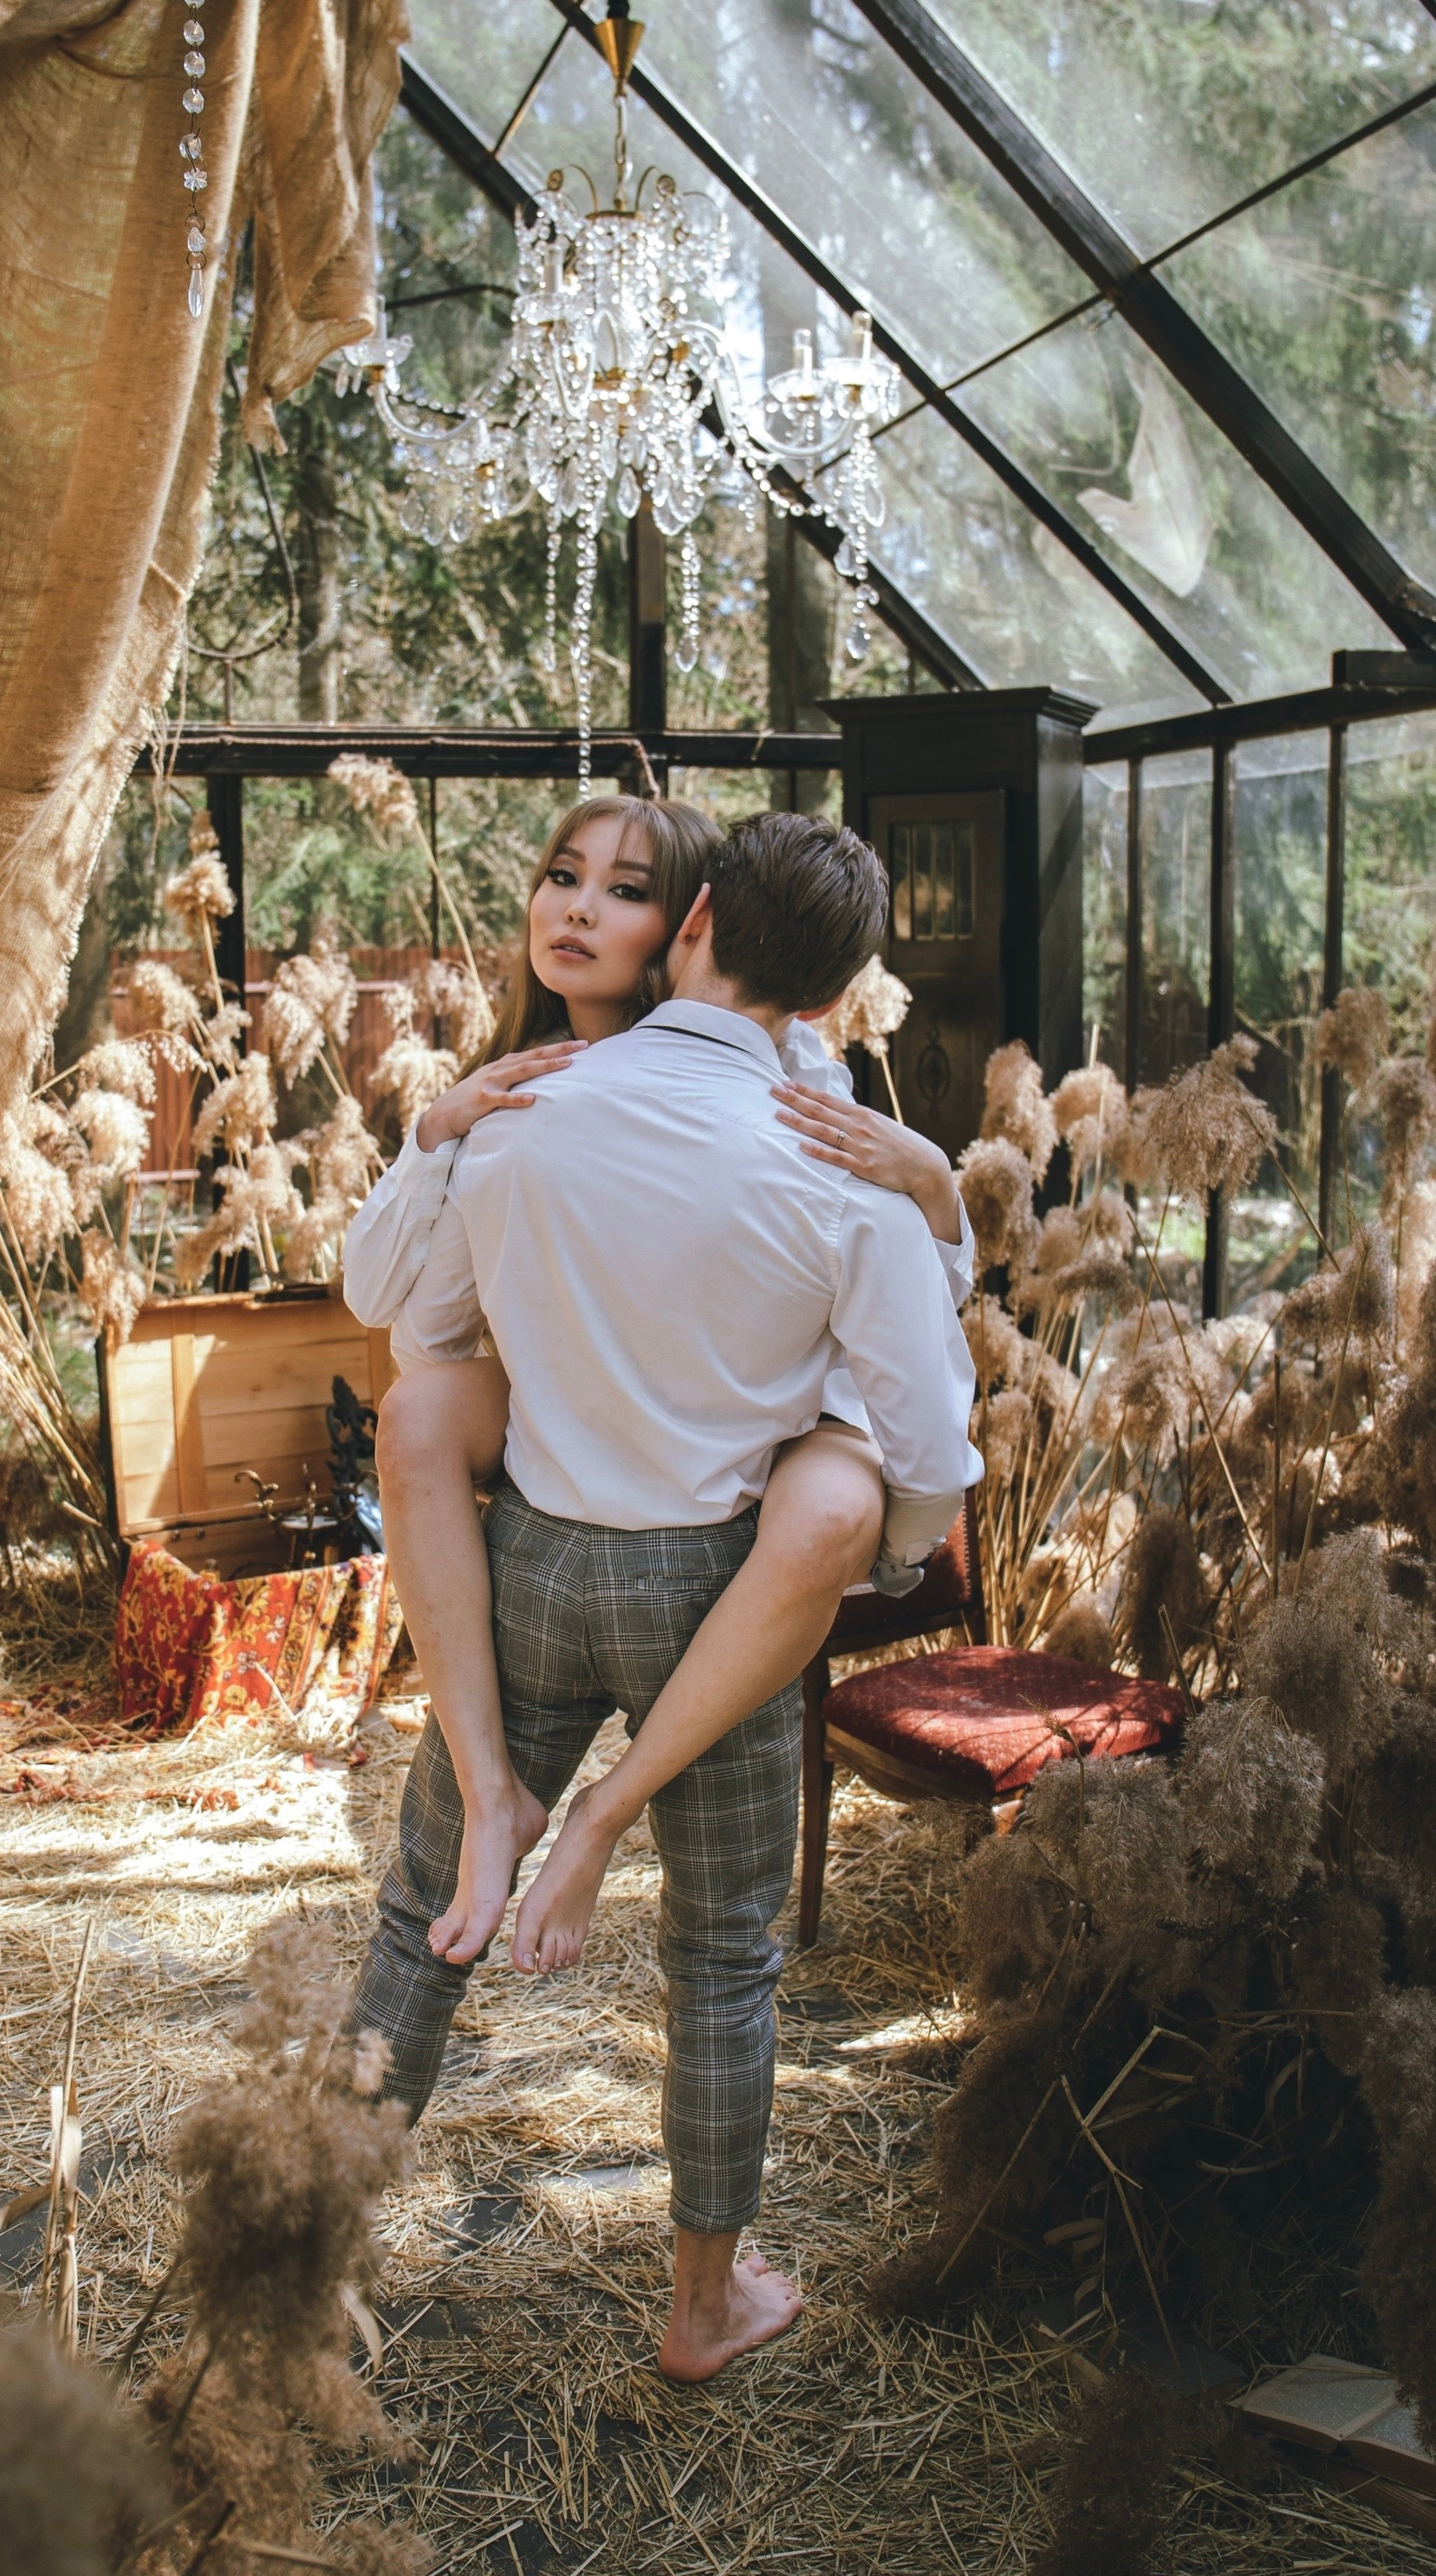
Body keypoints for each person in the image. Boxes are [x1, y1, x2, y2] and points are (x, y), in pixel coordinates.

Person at [348, 811, 979, 2381]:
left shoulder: (529, 1117)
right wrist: (868, 1544)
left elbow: (418, 1325)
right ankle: (703, 2307)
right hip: (727, 1590)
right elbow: (931, 1435)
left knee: (416, 1916)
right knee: (722, 1964)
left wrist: (463, 1163)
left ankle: (306, 2260)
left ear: (688, 922)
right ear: (837, 998)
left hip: (542, 1564)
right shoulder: (842, 1164)